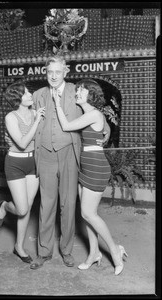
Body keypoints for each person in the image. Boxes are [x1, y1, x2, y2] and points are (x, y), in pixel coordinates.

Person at [30, 56, 110, 270]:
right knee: (46, 205)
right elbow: (29, 122)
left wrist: (105, 133)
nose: (54, 76)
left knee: (68, 204)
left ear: (65, 72)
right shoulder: (38, 95)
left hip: (69, 155)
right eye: (50, 72)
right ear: (45, 73)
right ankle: (44, 252)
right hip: (45, 155)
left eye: (58, 72)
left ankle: (66, 251)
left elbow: (96, 114)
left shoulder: (78, 91)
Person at [53, 78, 128, 275]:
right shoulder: (90, 114)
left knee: (88, 213)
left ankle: (114, 250)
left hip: (96, 168)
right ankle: (94, 253)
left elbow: (67, 126)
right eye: (76, 89)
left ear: (91, 94)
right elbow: (104, 129)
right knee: (86, 216)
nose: (77, 92)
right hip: (85, 167)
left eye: (82, 90)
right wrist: (107, 129)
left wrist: (56, 102)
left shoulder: (94, 113)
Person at [0, 81, 45, 263]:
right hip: (15, 163)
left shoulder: (34, 112)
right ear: (17, 99)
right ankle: (4, 206)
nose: (30, 94)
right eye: (25, 93)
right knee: (21, 208)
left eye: (29, 91)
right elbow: (22, 143)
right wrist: (37, 121)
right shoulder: (11, 117)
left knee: (27, 208)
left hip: (33, 162)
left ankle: (19, 247)